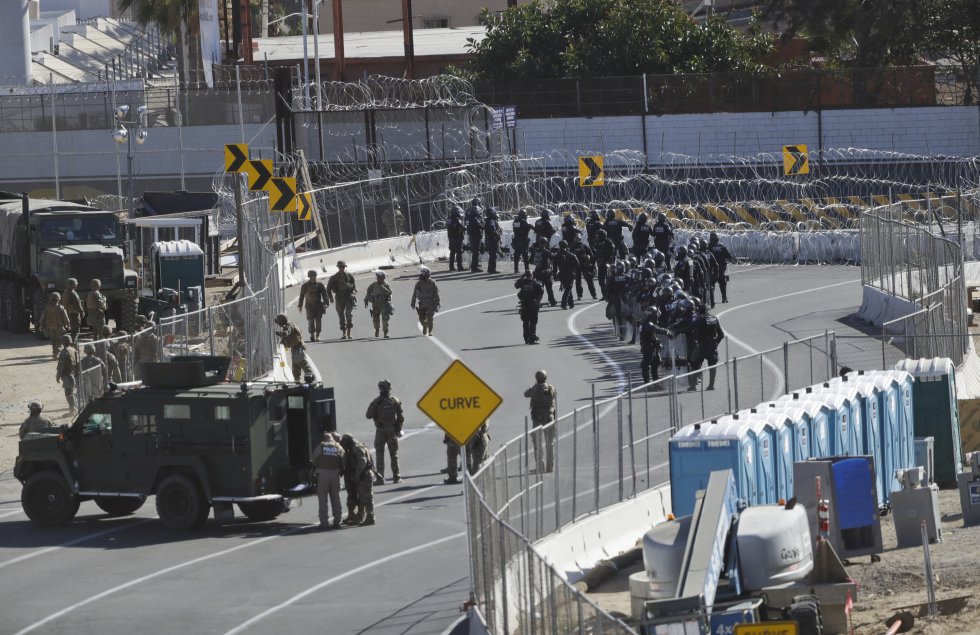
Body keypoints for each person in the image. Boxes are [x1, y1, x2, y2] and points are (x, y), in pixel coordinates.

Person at [366, 379, 404, 485]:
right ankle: (397, 477)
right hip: (392, 430)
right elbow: (401, 417)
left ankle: (380, 478)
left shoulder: (376, 402)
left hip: (381, 431)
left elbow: (368, 415)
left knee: (379, 455)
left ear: (380, 389)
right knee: (394, 454)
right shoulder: (395, 400)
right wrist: (398, 429)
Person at [524, 370, 557, 474]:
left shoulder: (534, 389)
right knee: (550, 443)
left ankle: (540, 467)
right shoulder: (551, 388)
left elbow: (525, 394)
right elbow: (554, 395)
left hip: (537, 419)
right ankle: (550, 467)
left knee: (538, 443)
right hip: (549, 417)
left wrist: (533, 387)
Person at [340, 433, 376, 526]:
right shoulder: (353, 446)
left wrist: (356, 476)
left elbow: (362, 462)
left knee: (367, 497)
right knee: (360, 497)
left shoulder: (356, 447)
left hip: (365, 475)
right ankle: (359, 517)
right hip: (362, 474)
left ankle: (370, 517)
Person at [688, 304, 725, 391]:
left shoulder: (699, 319)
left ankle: (693, 386)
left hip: (701, 346)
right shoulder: (714, 318)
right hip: (712, 346)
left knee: (694, 363)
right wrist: (716, 343)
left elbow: (690, 326)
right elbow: (721, 335)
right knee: (712, 365)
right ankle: (711, 385)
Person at [313, 431, 345, 530]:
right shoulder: (338, 447)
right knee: (336, 498)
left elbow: (314, 459)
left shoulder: (320, 447)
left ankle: (324, 522)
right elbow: (343, 461)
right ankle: (338, 521)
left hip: (322, 474)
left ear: (324, 439)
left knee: (323, 499)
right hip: (335, 474)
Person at [274, 313, 313, 382]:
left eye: (279, 322)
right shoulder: (287, 325)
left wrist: (279, 333)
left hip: (299, 347)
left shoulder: (290, 326)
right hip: (295, 348)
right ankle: (297, 381)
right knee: (295, 368)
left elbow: (287, 332)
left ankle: (311, 378)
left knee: (302, 363)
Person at [639, 306, 672, 386]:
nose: (657, 317)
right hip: (648, 347)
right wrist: (667, 332)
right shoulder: (648, 324)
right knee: (646, 366)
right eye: (656, 315)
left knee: (655, 364)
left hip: (652, 346)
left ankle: (656, 384)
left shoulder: (647, 323)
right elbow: (657, 329)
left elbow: (652, 335)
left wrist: (657, 342)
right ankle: (647, 385)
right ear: (652, 315)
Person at [326, 260, 357, 339]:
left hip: (348, 297)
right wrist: (331, 298)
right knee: (341, 315)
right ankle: (344, 332)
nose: (342, 268)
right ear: (338, 267)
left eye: (343, 267)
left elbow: (354, 287)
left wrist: (353, 293)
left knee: (348, 313)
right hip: (339, 298)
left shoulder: (349, 276)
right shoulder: (334, 277)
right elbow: (328, 289)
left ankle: (349, 331)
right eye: (340, 267)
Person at [298, 270, 330, 342]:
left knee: (318, 321)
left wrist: (326, 304)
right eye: (312, 277)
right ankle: (312, 335)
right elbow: (301, 296)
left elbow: (325, 295)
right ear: (309, 277)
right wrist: (300, 306)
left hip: (318, 305)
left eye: (314, 276)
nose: (313, 278)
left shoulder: (320, 285)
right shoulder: (305, 286)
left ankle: (317, 335)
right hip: (309, 306)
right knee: (310, 321)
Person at [516, 270, 544, 345]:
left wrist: (521, 278)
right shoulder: (535, 283)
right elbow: (541, 291)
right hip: (532, 304)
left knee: (526, 322)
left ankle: (526, 338)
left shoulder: (523, 282)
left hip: (525, 304)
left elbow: (516, 285)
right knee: (533, 322)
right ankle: (531, 338)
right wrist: (538, 301)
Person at [411, 266, 441, 336]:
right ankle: (424, 325)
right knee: (421, 318)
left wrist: (438, 302)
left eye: (423, 273)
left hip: (431, 302)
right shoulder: (419, 283)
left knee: (430, 318)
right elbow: (415, 293)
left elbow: (436, 293)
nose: (422, 275)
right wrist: (413, 302)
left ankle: (430, 331)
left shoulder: (432, 283)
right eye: (422, 273)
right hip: (422, 303)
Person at [364, 270, 394, 338]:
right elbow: (368, 291)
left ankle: (386, 332)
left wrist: (381, 287)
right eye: (378, 277)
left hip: (384, 304)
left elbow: (389, 292)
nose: (379, 279)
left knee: (385, 319)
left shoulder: (386, 285)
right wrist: (366, 300)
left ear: (383, 278)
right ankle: (377, 329)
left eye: (380, 277)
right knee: (375, 319)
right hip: (375, 304)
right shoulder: (373, 284)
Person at [56, 334, 79, 418]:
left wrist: (58, 376)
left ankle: (72, 410)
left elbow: (61, 366)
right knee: (73, 392)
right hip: (73, 373)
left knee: (68, 393)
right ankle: (74, 408)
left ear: (63, 342)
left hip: (67, 375)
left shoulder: (64, 352)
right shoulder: (74, 350)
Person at [529, 237, 557, 306]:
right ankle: (552, 301)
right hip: (546, 272)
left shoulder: (535, 251)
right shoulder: (546, 252)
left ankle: (537, 301)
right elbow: (554, 258)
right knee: (549, 288)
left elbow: (530, 260)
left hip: (537, 271)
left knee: (539, 288)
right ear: (546, 244)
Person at [42, 291, 70, 358]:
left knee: (53, 340)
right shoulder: (61, 308)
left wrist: (41, 324)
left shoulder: (47, 308)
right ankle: (57, 353)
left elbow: (43, 317)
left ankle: (55, 352)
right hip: (59, 327)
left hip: (50, 327)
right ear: (59, 299)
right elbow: (65, 318)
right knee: (59, 340)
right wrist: (68, 325)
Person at [592, 229, 617, 300]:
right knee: (601, 280)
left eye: (598, 235)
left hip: (607, 264)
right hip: (600, 263)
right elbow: (596, 252)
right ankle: (605, 295)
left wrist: (606, 260)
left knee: (609, 279)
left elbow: (612, 252)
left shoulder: (609, 242)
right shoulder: (597, 242)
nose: (597, 237)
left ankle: (611, 294)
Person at [554, 240, 579, 310]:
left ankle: (571, 303)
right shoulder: (571, 255)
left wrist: (555, 275)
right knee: (568, 288)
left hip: (562, 274)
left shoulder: (557, 255)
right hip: (570, 274)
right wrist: (572, 269)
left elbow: (554, 267)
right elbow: (577, 263)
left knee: (568, 288)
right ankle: (563, 303)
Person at [708, 232, 733, 303]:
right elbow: (729, 256)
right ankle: (724, 298)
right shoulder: (722, 246)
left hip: (712, 269)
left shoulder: (709, 247)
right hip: (721, 269)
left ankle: (711, 300)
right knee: (723, 283)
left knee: (711, 284)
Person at [571, 236, 598, 301]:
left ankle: (594, 294)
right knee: (578, 281)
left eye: (577, 238)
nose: (576, 239)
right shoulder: (573, 247)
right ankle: (579, 295)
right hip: (577, 266)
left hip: (585, 266)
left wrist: (592, 265)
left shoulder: (584, 246)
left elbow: (592, 256)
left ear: (580, 239)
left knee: (589, 280)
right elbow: (569, 256)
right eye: (575, 238)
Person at [511, 209, 534, 273]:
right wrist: (535, 228)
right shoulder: (524, 221)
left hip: (517, 240)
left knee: (517, 255)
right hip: (523, 240)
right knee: (525, 255)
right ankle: (527, 269)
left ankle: (516, 269)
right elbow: (529, 226)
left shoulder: (515, 221)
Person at [483, 207, 503, 274]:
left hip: (489, 240)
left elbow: (498, 229)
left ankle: (490, 269)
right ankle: (492, 269)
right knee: (493, 255)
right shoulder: (490, 221)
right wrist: (499, 237)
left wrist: (499, 232)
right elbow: (494, 231)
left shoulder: (489, 221)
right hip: (492, 240)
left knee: (492, 255)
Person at [466, 203, 484, 273]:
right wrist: (482, 223)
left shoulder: (470, 218)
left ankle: (474, 267)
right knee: (476, 253)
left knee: (475, 252)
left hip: (472, 237)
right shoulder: (475, 219)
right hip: (475, 237)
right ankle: (474, 268)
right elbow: (481, 226)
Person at [447, 206, 466, 271]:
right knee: (459, 252)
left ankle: (451, 267)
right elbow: (462, 227)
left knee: (452, 252)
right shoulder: (456, 219)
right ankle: (460, 267)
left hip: (451, 237)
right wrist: (466, 227)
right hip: (457, 237)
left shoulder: (448, 219)